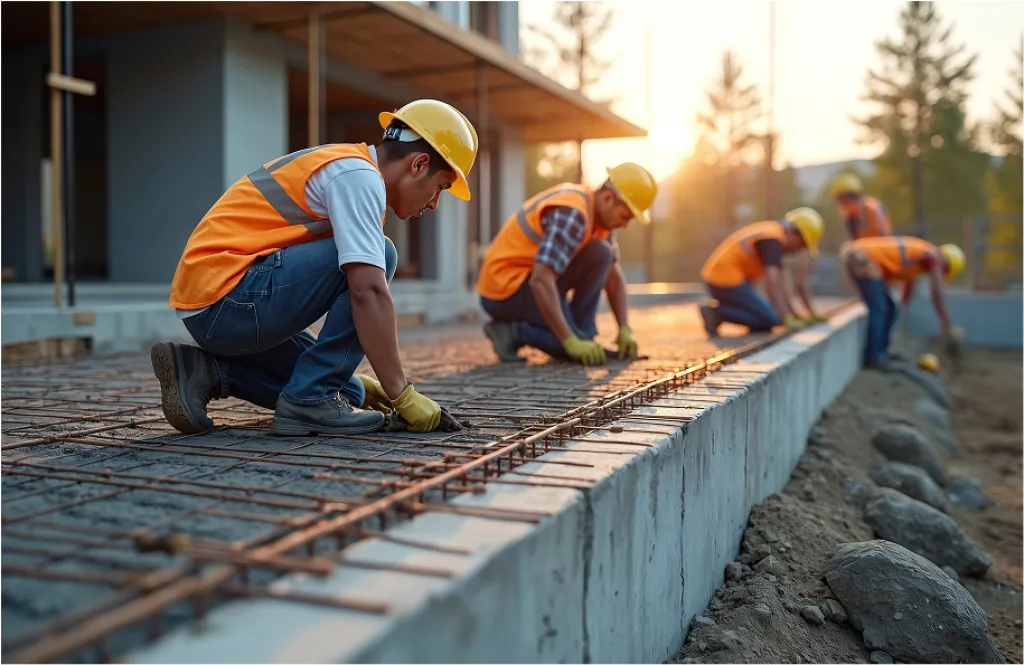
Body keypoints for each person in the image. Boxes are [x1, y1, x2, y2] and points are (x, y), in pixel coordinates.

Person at [152, 99, 478, 436]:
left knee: (347, 391)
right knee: (381, 256)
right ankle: (309, 401)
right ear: (419, 164)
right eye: (440, 188)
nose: (435, 204)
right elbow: (368, 292)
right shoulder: (359, 177)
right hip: (229, 301)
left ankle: (203, 372)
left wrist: (363, 383)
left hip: (215, 307)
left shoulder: (350, 168)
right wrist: (402, 393)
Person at [476, 163, 658, 367]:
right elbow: (541, 280)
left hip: (530, 281)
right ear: (608, 199)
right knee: (573, 347)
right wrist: (569, 340)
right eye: (625, 217)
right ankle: (512, 332)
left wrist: (625, 327)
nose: (625, 225)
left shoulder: (599, 221)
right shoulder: (573, 214)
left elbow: (613, 276)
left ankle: (582, 335)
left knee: (602, 253)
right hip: (504, 290)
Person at [839, 236, 965, 370]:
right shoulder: (933, 258)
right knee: (879, 309)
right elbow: (937, 295)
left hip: (863, 257)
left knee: (890, 309)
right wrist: (946, 324)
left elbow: (909, 285)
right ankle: (875, 357)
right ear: (946, 264)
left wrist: (903, 306)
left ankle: (882, 352)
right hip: (863, 258)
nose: (940, 273)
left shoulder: (922, 259)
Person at [699, 208, 826, 336]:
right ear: (794, 233)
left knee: (769, 317)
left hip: (727, 279)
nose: (798, 250)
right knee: (770, 319)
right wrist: (786, 318)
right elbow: (773, 283)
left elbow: (782, 284)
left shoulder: (775, 236)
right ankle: (716, 313)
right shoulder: (773, 239)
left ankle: (721, 311)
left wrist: (794, 315)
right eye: (801, 245)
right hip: (724, 278)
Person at [829, 173, 892, 240]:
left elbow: (883, 234)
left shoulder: (870, 208)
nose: (840, 205)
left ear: (847, 198)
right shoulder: (854, 215)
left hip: (878, 247)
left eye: (839, 199)